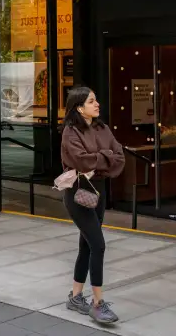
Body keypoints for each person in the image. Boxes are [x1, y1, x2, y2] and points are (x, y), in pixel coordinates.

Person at [61, 87, 125, 325]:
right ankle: (98, 304)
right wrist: (104, 157)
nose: (97, 104)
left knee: (87, 245)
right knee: (98, 245)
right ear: (79, 107)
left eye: (96, 99)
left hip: (99, 191)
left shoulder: (102, 128)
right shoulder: (70, 132)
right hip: (78, 192)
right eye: (91, 101)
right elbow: (80, 160)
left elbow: (119, 156)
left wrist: (99, 158)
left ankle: (76, 296)